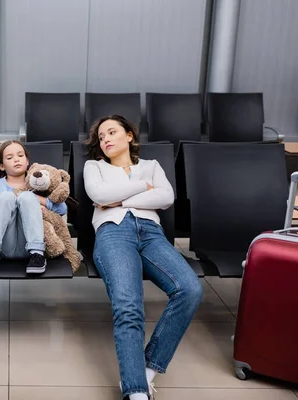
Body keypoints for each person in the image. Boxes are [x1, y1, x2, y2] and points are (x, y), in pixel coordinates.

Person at [83, 115, 203, 400]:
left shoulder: (151, 166)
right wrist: (141, 188)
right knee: (128, 305)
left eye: (112, 132)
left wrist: (117, 200)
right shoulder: (94, 166)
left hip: (151, 233)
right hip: (113, 233)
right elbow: (98, 194)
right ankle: (136, 391)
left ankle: (147, 366)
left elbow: (166, 197)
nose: (106, 139)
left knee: (190, 289)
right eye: (101, 137)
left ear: (129, 136)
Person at [0, 140, 67, 274]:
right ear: (2, 166)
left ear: (27, 162)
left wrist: (37, 201)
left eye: (20, 156)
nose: (16, 160)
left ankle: (37, 254)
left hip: (31, 245)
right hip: (4, 245)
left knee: (27, 197)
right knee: (6, 197)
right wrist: (13, 201)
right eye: (10, 157)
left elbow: (62, 210)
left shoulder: (39, 183)